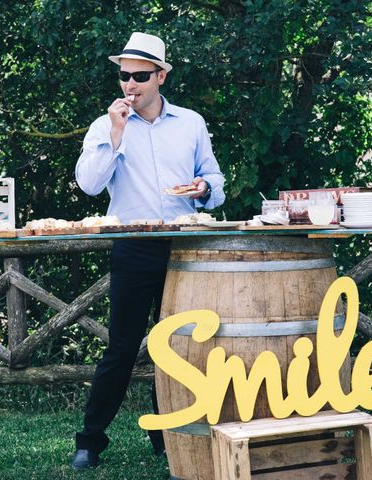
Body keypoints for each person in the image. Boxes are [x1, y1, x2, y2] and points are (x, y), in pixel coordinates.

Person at [72, 32, 226, 469]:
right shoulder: (106, 125)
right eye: (124, 76)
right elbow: (89, 184)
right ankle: (89, 441)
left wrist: (204, 188)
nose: (129, 85)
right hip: (134, 244)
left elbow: (214, 183)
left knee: (176, 347)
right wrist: (117, 134)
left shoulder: (190, 123)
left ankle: (168, 437)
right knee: (121, 347)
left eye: (140, 75)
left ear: (161, 75)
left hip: (184, 246)